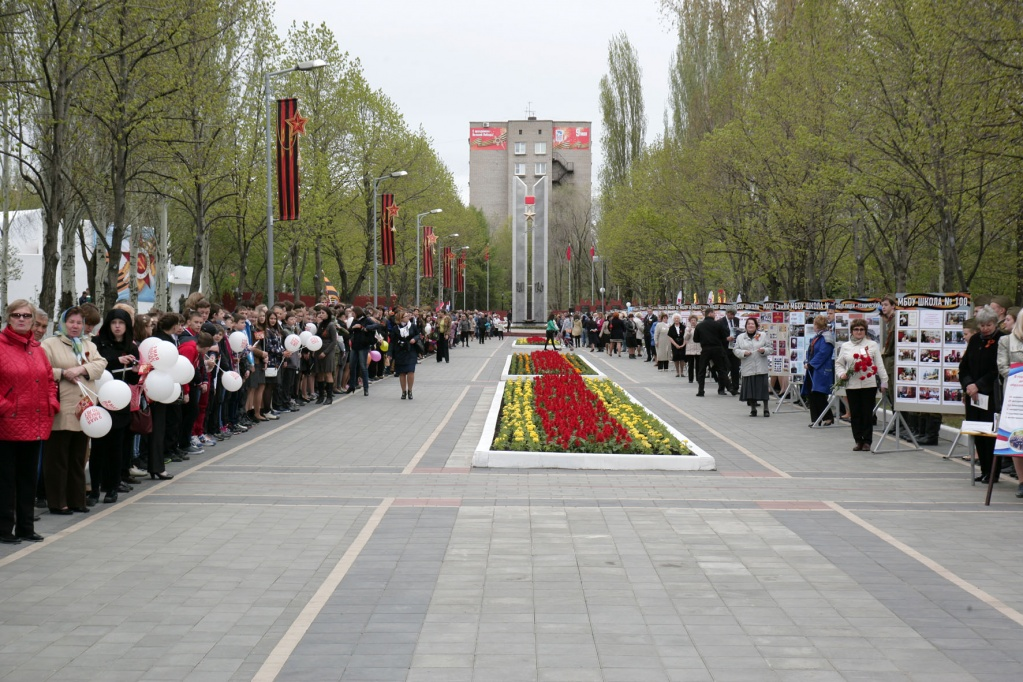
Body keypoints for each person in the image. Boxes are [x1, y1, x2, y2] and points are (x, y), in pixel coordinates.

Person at [0, 301, 60, 543]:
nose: (22, 319)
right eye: (17, 315)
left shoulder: (37, 349)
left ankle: (26, 527)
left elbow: (48, 380)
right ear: (8, 318)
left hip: (35, 423)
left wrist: (51, 404)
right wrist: (6, 408)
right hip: (7, 425)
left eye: (27, 316)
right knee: (6, 481)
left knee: (28, 479)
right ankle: (4, 529)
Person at [42, 307, 108, 514]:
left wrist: (81, 369)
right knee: (58, 458)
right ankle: (57, 501)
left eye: (79, 323)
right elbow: (41, 369)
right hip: (61, 407)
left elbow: (100, 364)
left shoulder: (87, 345)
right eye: (71, 321)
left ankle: (77, 499)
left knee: (79, 457)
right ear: (63, 323)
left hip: (84, 409)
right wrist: (62, 373)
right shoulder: (50, 344)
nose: (75, 326)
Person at [91, 308, 139, 505]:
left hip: (120, 401)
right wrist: (115, 360)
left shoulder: (132, 347)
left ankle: (112, 487)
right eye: (113, 322)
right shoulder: (98, 344)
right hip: (100, 400)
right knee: (98, 448)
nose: (117, 326)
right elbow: (96, 366)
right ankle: (94, 489)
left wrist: (136, 369)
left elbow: (133, 379)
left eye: (121, 323)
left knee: (116, 447)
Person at [960, 306, 1004, 483]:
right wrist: (969, 384)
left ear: (995, 324)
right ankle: (984, 469)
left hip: (991, 394)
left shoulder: (1001, 340)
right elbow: (964, 367)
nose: (985, 329)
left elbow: (997, 369)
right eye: (982, 325)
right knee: (978, 432)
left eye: (989, 325)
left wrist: (979, 385)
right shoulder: (975, 340)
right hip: (973, 395)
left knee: (991, 435)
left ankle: (993, 472)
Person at [835, 318, 888, 451]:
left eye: (861, 329)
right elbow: (839, 363)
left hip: (868, 384)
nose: (859, 332)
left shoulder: (872, 345)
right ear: (852, 331)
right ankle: (858, 440)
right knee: (856, 413)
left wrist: (884, 380)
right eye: (856, 329)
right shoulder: (846, 346)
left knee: (867, 413)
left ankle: (867, 441)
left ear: (865, 331)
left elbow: (879, 364)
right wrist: (842, 374)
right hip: (852, 385)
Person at [996, 313, 1023, 496]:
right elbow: (1003, 367)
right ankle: (1022, 480)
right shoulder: (1007, 341)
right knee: (1017, 437)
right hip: (1016, 395)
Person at [802, 315, 835, 426]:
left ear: (818, 325)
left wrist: (811, 364)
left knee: (819, 394)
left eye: (815, 324)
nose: (814, 326)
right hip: (813, 369)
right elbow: (810, 351)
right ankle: (816, 419)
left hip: (822, 370)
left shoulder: (827, 338)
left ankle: (827, 417)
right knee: (813, 394)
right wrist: (807, 361)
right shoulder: (818, 337)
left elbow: (823, 353)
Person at [735, 317, 770, 417]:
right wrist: (743, 353)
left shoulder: (762, 335)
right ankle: (753, 408)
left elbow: (770, 348)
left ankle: (766, 408)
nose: (750, 326)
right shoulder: (740, 337)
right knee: (750, 389)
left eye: (753, 324)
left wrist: (763, 350)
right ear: (746, 326)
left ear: (756, 326)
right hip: (748, 366)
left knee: (763, 388)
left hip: (760, 366)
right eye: (749, 324)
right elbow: (736, 349)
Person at [693, 307, 729, 397]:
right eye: (714, 313)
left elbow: (695, 339)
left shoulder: (699, 325)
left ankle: (701, 390)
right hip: (717, 349)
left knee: (702, 370)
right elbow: (724, 337)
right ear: (710, 314)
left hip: (705, 349)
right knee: (721, 369)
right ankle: (724, 388)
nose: (715, 315)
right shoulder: (718, 324)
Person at [390, 311, 422, 400]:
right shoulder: (395, 328)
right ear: (401, 318)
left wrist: (414, 339)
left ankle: (410, 390)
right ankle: (403, 391)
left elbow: (418, 335)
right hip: (400, 351)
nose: (408, 317)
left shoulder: (412, 326)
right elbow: (392, 341)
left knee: (411, 371)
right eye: (406, 316)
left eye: (408, 315)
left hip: (411, 350)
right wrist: (389, 353)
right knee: (402, 372)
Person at [312, 307, 337, 405]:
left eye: (323, 313)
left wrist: (325, 352)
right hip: (319, 350)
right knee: (320, 373)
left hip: (328, 351)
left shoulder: (331, 325)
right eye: (320, 313)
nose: (321, 314)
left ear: (328, 314)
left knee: (328, 373)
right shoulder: (320, 325)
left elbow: (333, 341)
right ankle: (321, 396)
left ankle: (329, 397)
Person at [717, 307, 741, 395]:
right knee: (724, 369)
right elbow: (717, 336)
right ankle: (721, 388)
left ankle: (735, 387)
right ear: (727, 313)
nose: (732, 316)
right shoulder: (720, 322)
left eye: (733, 314)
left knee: (735, 368)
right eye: (730, 314)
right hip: (724, 348)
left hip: (734, 348)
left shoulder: (737, 320)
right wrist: (726, 339)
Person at [683, 313, 700, 382]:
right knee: (691, 364)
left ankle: (698, 378)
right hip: (690, 348)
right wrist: (688, 332)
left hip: (698, 348)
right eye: (692, 320)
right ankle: (690, 379)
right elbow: (685, 338)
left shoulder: (699, 328)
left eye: (694, 320)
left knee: (698, 365)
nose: (693, 321)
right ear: (689, 321)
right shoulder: (687, 328)